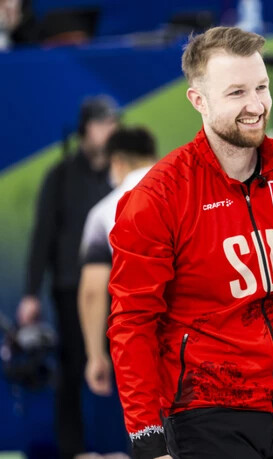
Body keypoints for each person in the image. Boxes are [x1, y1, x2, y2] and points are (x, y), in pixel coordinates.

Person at [107, 27, 273, 459]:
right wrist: (147, 440)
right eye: (236, 92)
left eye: (261, 87)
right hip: (205, 414)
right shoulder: (158, 197)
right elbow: (132, 323)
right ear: (199, 100)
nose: (255, 105)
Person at [18, 94, 118, 459]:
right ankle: (75, 451)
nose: (110, 129)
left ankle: (131, 447)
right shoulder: (60, 176)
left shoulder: (119, 174)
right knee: (74, 368)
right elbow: (43, 235)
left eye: (114, 123)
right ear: (84, 130)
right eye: (103, 123)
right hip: (71, 288)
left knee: (127, 368)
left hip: (118, 289)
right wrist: (30, 293)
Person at [78, 126, 158, 398]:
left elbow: (92, 291)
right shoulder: (192, 187)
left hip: (146, 344)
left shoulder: (102, 214)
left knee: (149, 434)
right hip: (213, 339)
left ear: (117, 162)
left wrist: (95, 355)